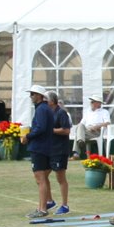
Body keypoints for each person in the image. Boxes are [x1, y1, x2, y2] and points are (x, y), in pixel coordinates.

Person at [22, 84, 55, 218]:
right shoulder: (45, 109)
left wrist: (27, 136)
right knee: (43, 179)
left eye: (33, 94)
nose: (31, 96)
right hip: (45, 147)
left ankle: (42, 209)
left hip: (39, 148)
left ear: (40, 96)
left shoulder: (41, 109)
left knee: (40, 179)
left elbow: (40, 128)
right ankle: (43, 206)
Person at [47, 91, 73, 216]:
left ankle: (65, 205)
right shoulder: (47, 113)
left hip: (60, 150)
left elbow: (66, 130)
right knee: (42, 175)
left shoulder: (61, 113)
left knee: (60, 178)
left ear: (51, 101)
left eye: (45, 99)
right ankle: (50, 201)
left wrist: (51, 131)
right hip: (50, 149)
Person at [73, 93, 111, 159]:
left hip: (97, 131)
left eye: (93, 101)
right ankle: (80, 141)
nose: (91, 103)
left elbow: (107, 123)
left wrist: (96, 126)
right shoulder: (88, 112)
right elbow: (82, 123)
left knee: (78, 135)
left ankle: (77, 153)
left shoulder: (104, 112)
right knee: (80, 126)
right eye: (91, 101)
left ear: (99, 103)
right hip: (87, 130)